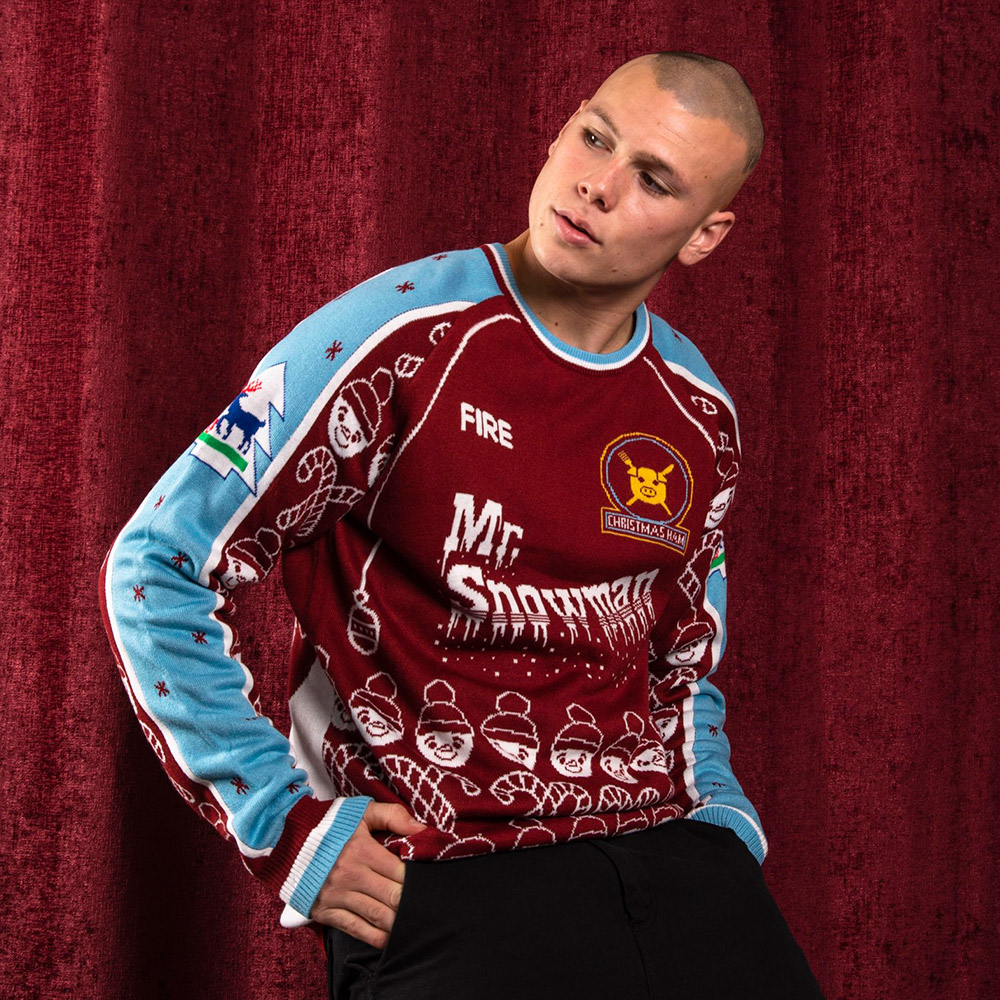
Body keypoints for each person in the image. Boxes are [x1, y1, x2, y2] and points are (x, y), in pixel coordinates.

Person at [100, 51, 823, 999]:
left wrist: (720, 823)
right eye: (595, 138)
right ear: (562, 129)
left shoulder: (697, 408)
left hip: (672, 863)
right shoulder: (394, 336)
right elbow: (155, 563)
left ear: (704, 235)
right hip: (448, 877)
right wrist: (283, 823)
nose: (597, 186)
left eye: (653, 180)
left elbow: (684, 657)